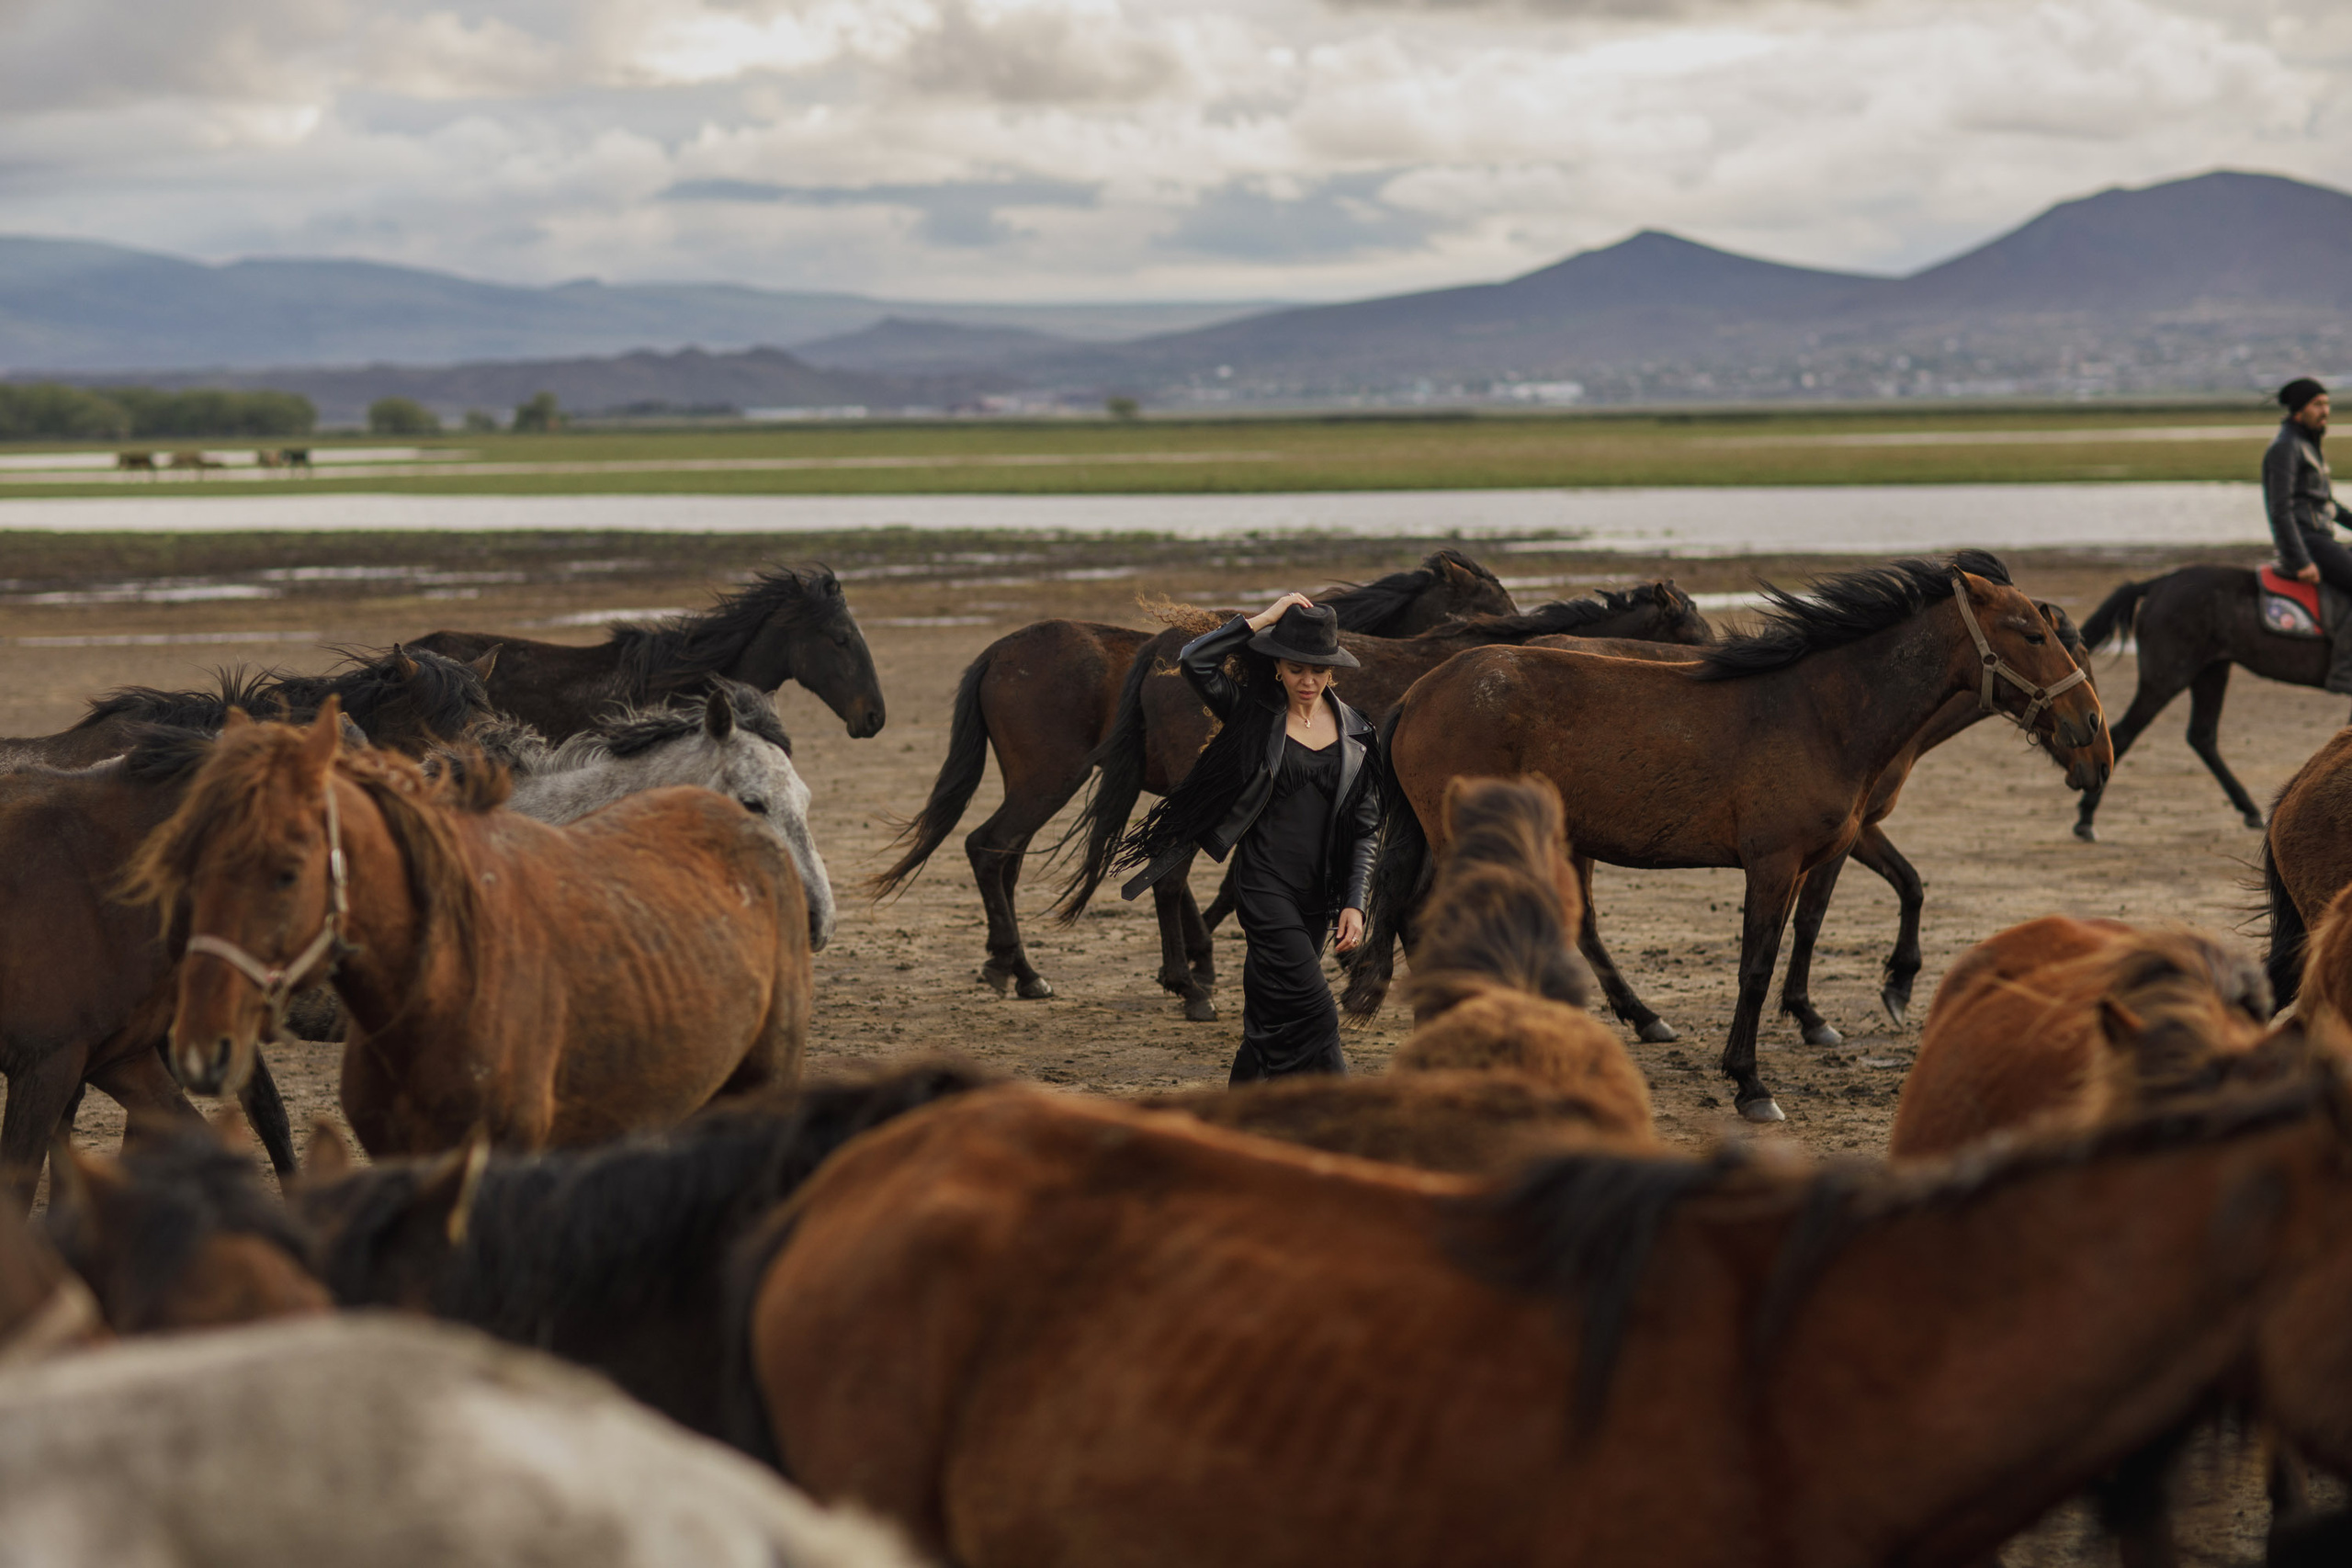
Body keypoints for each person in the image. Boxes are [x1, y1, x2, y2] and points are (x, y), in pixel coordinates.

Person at [1114, 592, 1380, 1083]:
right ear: (1277, 665)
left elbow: (1366, 827)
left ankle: (1244, 1106)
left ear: (1332, 671)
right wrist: (1264, 618)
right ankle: (1345, 1113)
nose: (1307, 680)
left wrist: (1354, 902)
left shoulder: (1359, 733)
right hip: (1263, 886)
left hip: (1319, 898)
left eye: (1317, 670)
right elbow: (1196, 660)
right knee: (1318, 1011)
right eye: (1296, 668)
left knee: (1269, 1019)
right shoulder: (1253, 715)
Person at [2266, 377, 2352, 593]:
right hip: (2310, 541)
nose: (2325, 411)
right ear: (2298, 410)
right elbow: (2280, 510)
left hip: (2322, 537)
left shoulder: (2308, 443)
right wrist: (2301, 560)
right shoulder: (2286, 447)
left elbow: (2325, 503)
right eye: (2317, 405)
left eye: (2327, 403)